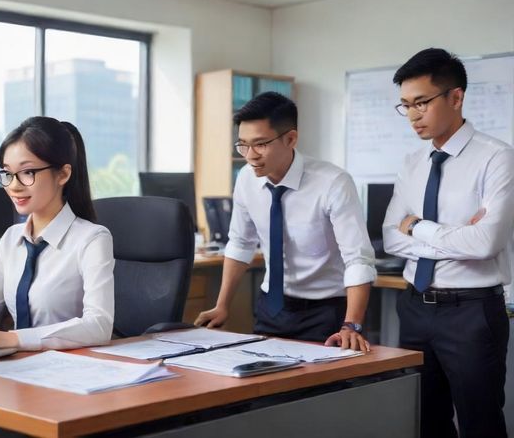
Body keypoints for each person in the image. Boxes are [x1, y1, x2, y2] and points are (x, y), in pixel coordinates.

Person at [383, 48, 513, 438]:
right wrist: (455, 234)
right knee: (424, 419)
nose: (412, 115)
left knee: (480, 422)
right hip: (414, 306)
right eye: (404, 105)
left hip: (471, 313)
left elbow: (486, 242)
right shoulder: (412, 162)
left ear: (455, 97)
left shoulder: (497, 159)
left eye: (421, 102)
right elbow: (390, 236)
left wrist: (418, 226)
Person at [195, 92, 374, 351]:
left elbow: (358, 259)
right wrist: (222, 305)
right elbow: (241, 243)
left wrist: (352, 325)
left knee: (320, 390)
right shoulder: (247, 178)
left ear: (291, 139)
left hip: (325, 310)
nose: (250, 155)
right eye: (243, 144)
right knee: (262, 385)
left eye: (260, 144)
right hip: (272, 307)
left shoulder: (333, 183)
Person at [0, 116, 115, 350]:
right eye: (7, 173)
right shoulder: (11, 238)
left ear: (63, 174)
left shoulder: (92, 239)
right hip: (17, 368)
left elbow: (99, 326)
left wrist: (14, 339)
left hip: (71, 371)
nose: (14, 185)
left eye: (27, 172)